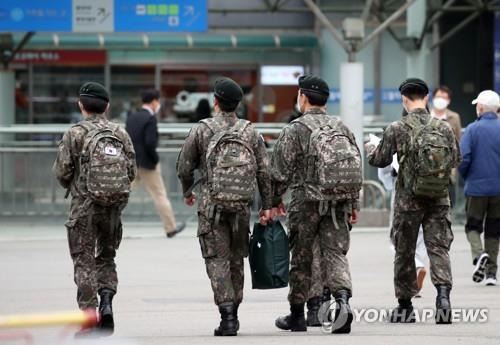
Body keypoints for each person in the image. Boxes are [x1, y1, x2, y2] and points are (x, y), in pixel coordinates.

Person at [177, 77, 273, 336]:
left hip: (211, 207)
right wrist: (268, 205)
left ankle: (227, 315)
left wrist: (188, 191)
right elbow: (265, 171)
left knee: (216, 260)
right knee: (236, 259)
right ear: (238, 104)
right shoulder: (250, 131)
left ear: (215, 101)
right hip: (241, 207)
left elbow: (184, 166)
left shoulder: (202, 129)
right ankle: (235, 311)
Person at [271, 75, 361, 334]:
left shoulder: (296, 129)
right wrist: (353, 203)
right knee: (336, 254)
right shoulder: (341, 126)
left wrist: (273, 201)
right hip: (339, 202)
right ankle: (342, 303)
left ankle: (297, 315)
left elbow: (279, 171)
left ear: (303, 97)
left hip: (306, 202)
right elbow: (353, 167)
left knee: (302, 257)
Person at [366, 78, 460, 324]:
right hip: (439, 197)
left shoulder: (397, 127)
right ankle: (443, 300)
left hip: (408, 199)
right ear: (427, 98)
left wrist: (370, 150)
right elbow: (455, 159)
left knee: (404, 250)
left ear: (404, 99)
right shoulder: (444, 127)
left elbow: (380, 160)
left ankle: (405, 306)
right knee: (438, 248)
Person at [53, 82, 137, 337]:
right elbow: (131, 171)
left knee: (84, 261)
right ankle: (107, 302)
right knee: (107, 258)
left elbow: (61, 172)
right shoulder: (119, 133)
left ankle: (89, 319)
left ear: (81, 105)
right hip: (113, 207)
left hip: (84, 207)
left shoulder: (74, 133)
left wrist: (78, 185)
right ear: (107, 106)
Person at [126, 89, 185, 238]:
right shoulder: (150, 119)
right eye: (158, 101)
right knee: (159, 195)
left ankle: (106, 223)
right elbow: (150, 142)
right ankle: (170, 228)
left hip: (132, 162)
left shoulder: (131, 117)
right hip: (147, 164)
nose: (158, 104)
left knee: (121, 194)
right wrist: (155, 159)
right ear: (153, 101)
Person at [458, 90, 500, 286]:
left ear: (481, 108)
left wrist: (466, 177)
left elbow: (463, 158)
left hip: (476, 188)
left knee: (473, 227)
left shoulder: (473, 130)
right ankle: (492, 274)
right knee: (493, 230)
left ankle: (479, 254)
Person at [378, 156, 429, 297]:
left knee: (397, 238)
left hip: (402, 193)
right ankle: (415, 277)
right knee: (419, 236)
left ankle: (416, 268)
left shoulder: (395, 134)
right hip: (426, 189)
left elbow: (383, 166)